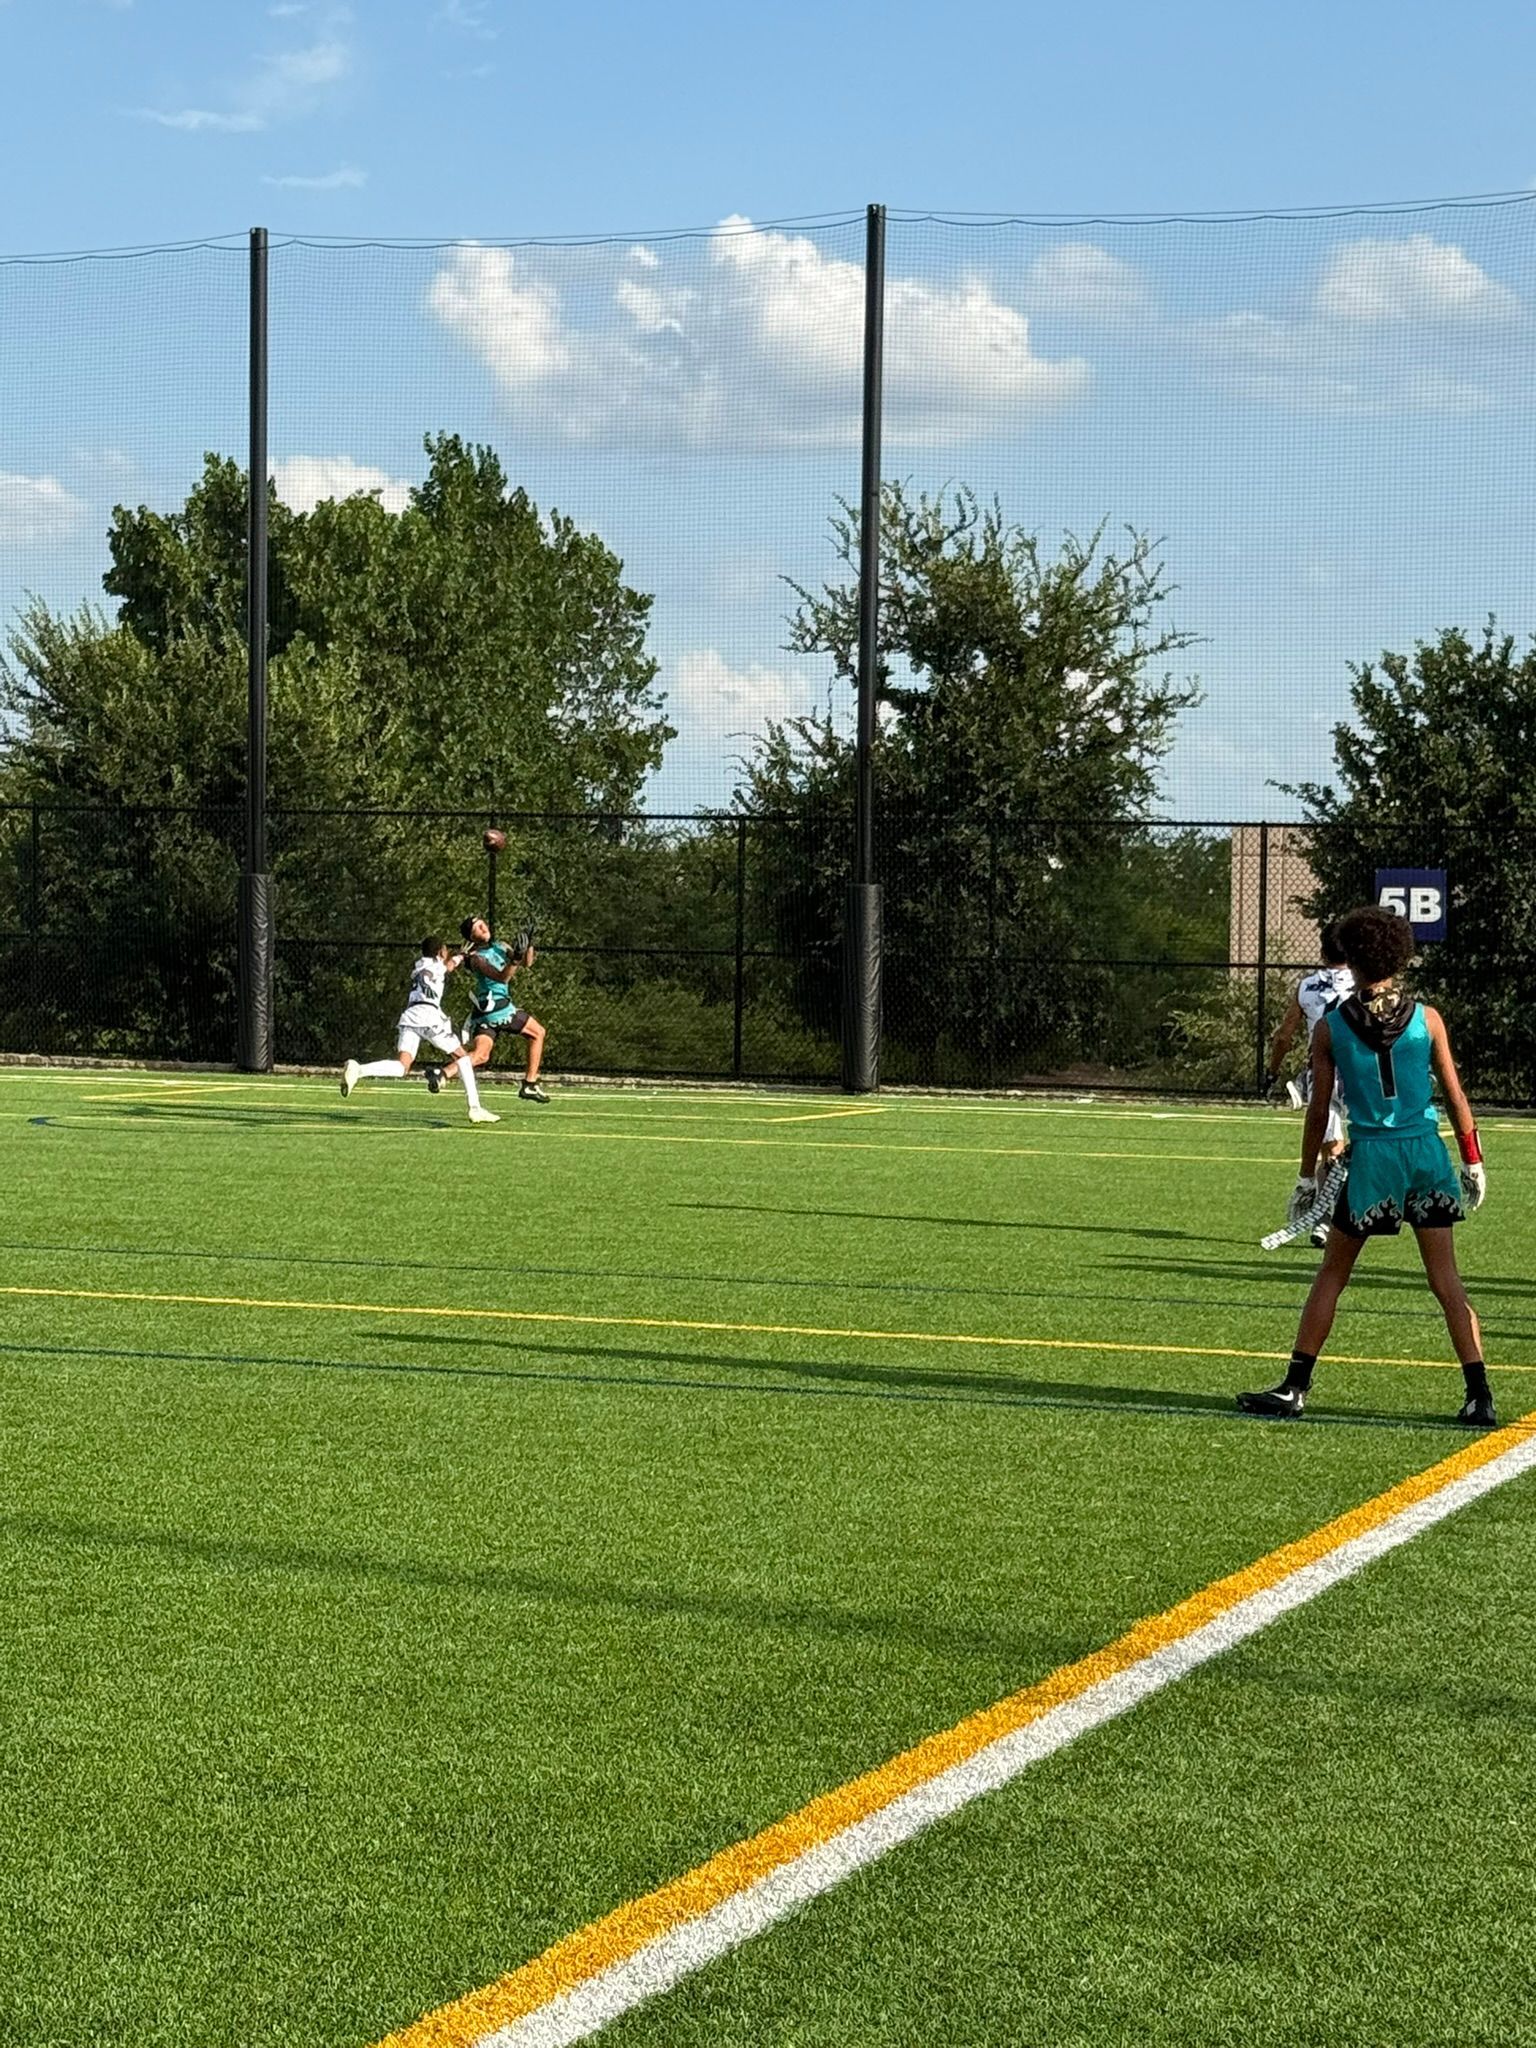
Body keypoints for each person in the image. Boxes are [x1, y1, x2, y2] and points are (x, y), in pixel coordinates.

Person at [1238, 903, 1491, 1427]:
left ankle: (1295, 1386)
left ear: (1351, 959)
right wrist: (1472, 1158)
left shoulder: (1331, 1028)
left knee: (1332, 1273)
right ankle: (1479, 1394)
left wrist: (1307, 1174)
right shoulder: (1428, 1019)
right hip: (1425, 1152)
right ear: (1399, 956)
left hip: (1372, 1157)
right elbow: (1455, 1093)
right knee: (1446, 1279)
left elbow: (1318, 1109)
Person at [340, 938, 499, 1123]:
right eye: (445, 950)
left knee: (402, 1066)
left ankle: (358, 1070)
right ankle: (475, 1108)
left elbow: (443, 966)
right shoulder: (438, 965)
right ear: (440, 952)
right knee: (463, 1057)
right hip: (428, 1014)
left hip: (410, 1014)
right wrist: (461, 956)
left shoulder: (418, 967)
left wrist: (457, 957)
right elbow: (449, 965)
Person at [1265, 921, 1355, 1246]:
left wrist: (1271, 1072)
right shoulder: (1366, 984)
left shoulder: (1306, 987)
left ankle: (1324, 1216)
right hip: (1362, 1078)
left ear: (1321, 951)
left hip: (1323, 1075)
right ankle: (1327, 1218)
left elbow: (1283, 1037)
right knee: (1345, 1150)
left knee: (1331, 1148)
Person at [456, 915, 550, 1102]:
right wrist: (514, 959)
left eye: (483, 924)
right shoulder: (476, 958)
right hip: (497, 1008)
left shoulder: (500, 946)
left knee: (481, 1055)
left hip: (486, 1010)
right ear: (471, 937)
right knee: (538, 1032)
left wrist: (529, 943)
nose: (483, 928)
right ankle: (529, 1084)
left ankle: (441, 1074)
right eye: (477, 927)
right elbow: (502, 977)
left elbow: (527, 962)